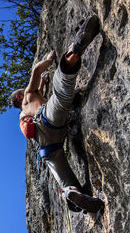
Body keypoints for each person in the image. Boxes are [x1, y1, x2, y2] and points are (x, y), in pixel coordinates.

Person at [10, 15, 104, 213]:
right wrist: (49, 60)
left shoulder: (23, 114)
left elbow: (40, 96)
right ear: (19, 97)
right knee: (62, 90)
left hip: (47, 147)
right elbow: (36, 72)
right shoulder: (27, 94)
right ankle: (73, 54)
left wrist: (42, 86)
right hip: (47, 118)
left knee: (65, 180)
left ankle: (72, 193)